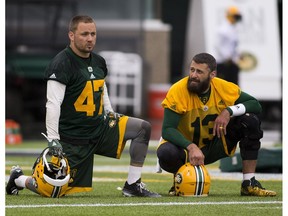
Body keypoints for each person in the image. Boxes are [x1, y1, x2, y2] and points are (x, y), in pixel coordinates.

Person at [6, 15, 160, 198]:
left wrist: (109, 112)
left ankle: (133, 185)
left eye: (93, 34)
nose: (90, 38)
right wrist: (53, 138)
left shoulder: (98, 61)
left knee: (142, 128)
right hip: (73, 138)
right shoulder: (62, 63)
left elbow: (101, 88)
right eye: (84, 34)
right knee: (52, 190)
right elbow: (53, 103)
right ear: (71, 35)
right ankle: (19, 179)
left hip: (99, 128)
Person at [156, 52, 276, 197]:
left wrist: (228, 111)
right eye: (192, 69)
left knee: (250, 120)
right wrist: (191, 147)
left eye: (199, 71)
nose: (193, 75)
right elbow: (167, 130)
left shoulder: (222, 87)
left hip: (215, 143)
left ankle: (248, 183)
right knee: (166, 153)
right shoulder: (178, 90)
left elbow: (255, 105)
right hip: (185, 149)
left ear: (212, 75)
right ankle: (179, 181)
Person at [214, 6, 242, 84]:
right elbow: (218, 45)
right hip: (223, 63)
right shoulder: (222, 29)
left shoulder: (233, 29)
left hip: (232, 63)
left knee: (234, 87)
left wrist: (238, 55)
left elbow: (233, 46)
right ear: (229, 16)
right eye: (234, 16)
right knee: (222, 86)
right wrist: (227, 57)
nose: (236, 19)